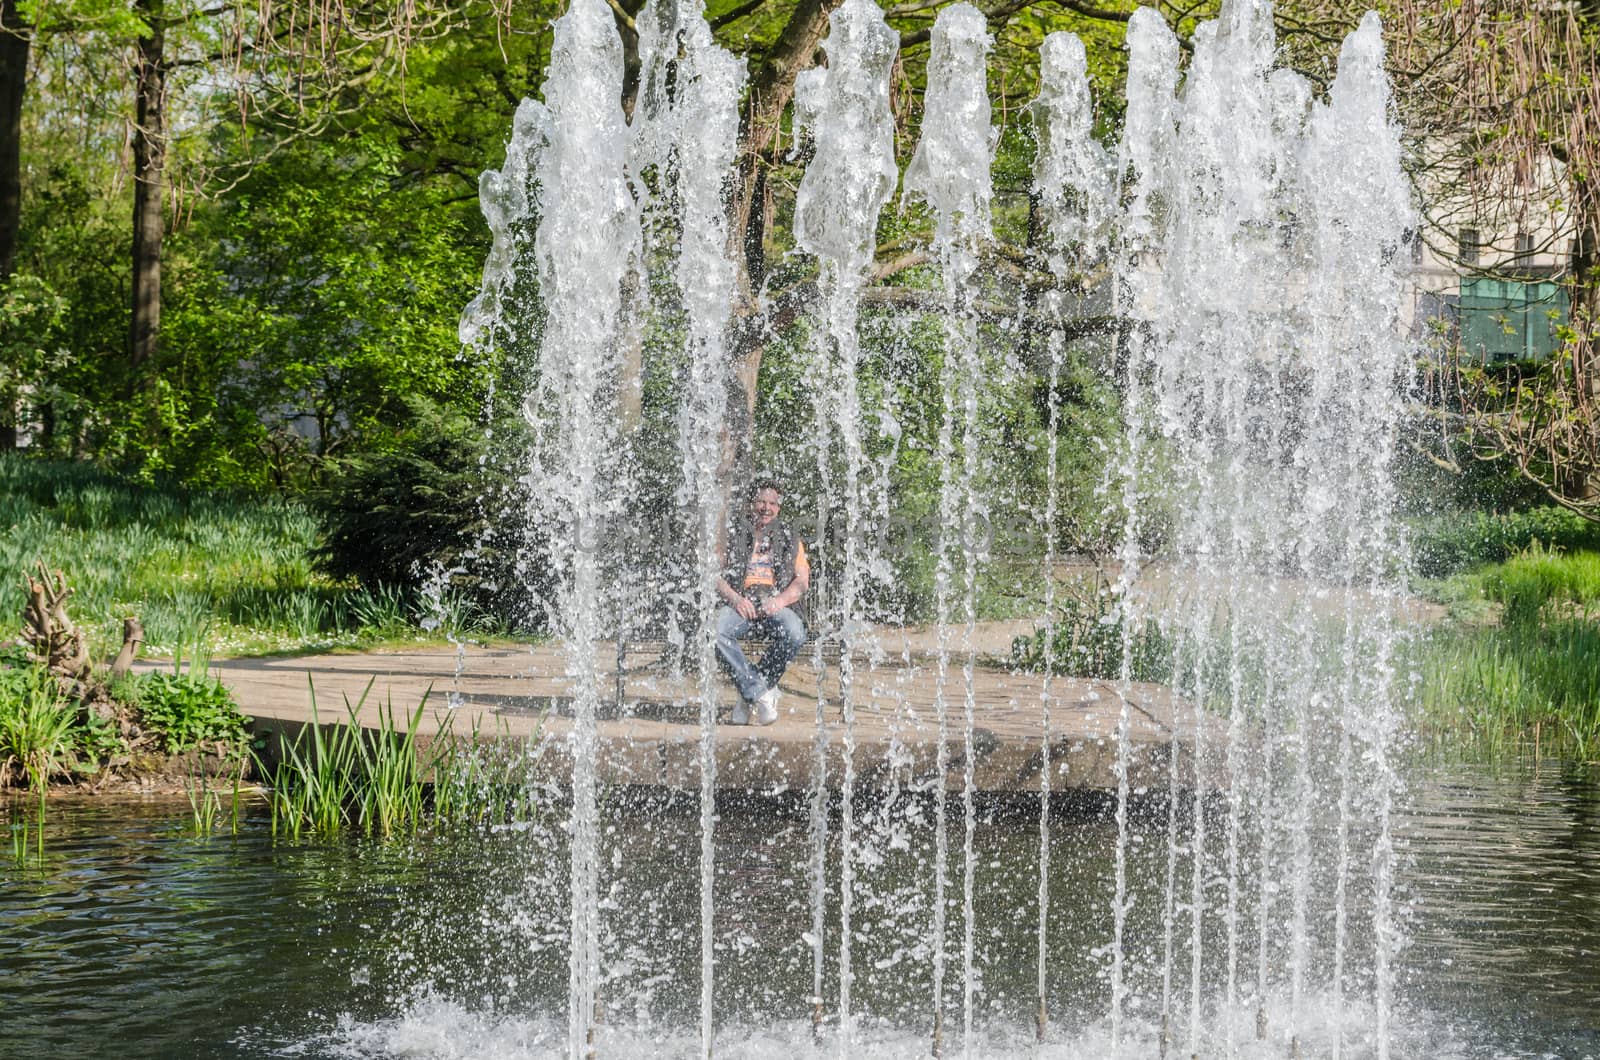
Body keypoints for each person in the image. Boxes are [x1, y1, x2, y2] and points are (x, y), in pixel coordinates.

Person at [715, 478, 809, 725]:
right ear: (751, 504)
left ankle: (748, 695)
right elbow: (712, 576)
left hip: (776, 604)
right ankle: (760, 693)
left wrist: (779, 601)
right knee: (715, 632)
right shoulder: (733, 532)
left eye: (772, 503)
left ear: (778, 508)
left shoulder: (790, 536)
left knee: (795, 633)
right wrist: (736, 599)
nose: (766, 508)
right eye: (761, 502)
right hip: (741, 602)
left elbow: (801, 582)